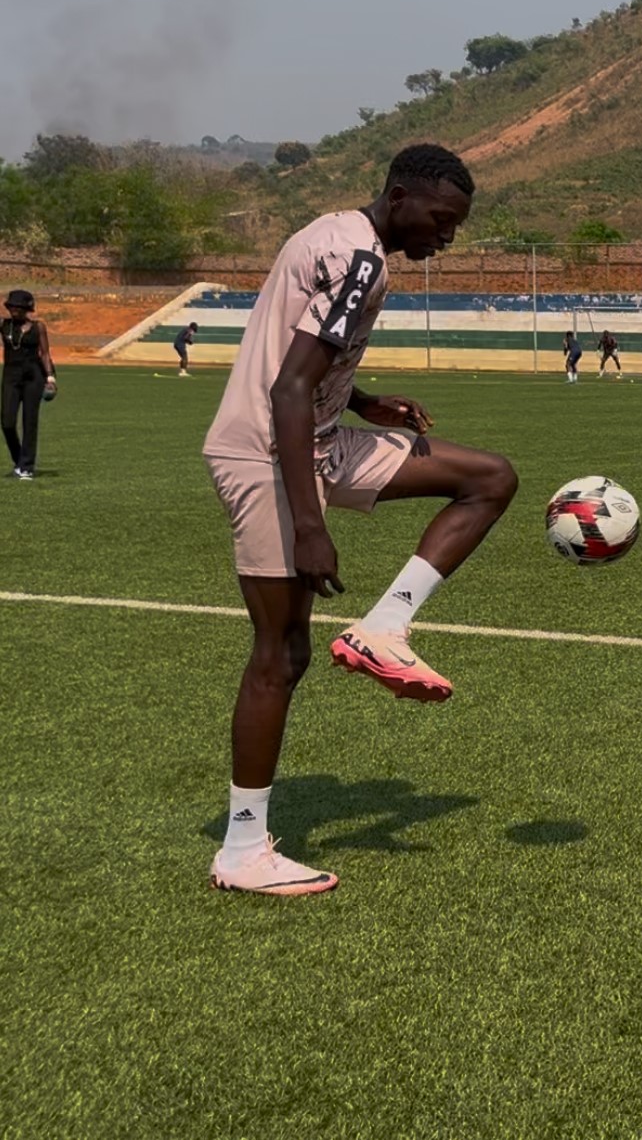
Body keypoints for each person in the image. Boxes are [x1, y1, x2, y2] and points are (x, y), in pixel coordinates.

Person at [200, 144, 517, 897]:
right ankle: (242, 851)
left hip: (316, 437)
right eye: (441, 220)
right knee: (279, 654)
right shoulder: (363, 261)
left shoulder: (336, 233)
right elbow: (287, 387)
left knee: (487, 478)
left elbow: (303, 360)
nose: (446, 238)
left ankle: (385, 626)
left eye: (455, 226)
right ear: (401, 194)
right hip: (269, 453)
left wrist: (363, 400)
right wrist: (309, 523)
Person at [3, 289, 56, 479]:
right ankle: (19, 459)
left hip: (34, 376)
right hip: (11, 376)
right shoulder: (5, 326)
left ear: (27, 308)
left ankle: (26, 467)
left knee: (29, 421)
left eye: (18, 307)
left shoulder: (38, 327)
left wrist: (50, 378)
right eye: (12, 306)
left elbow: (45, 353)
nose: (14, 310)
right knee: (7, 422)